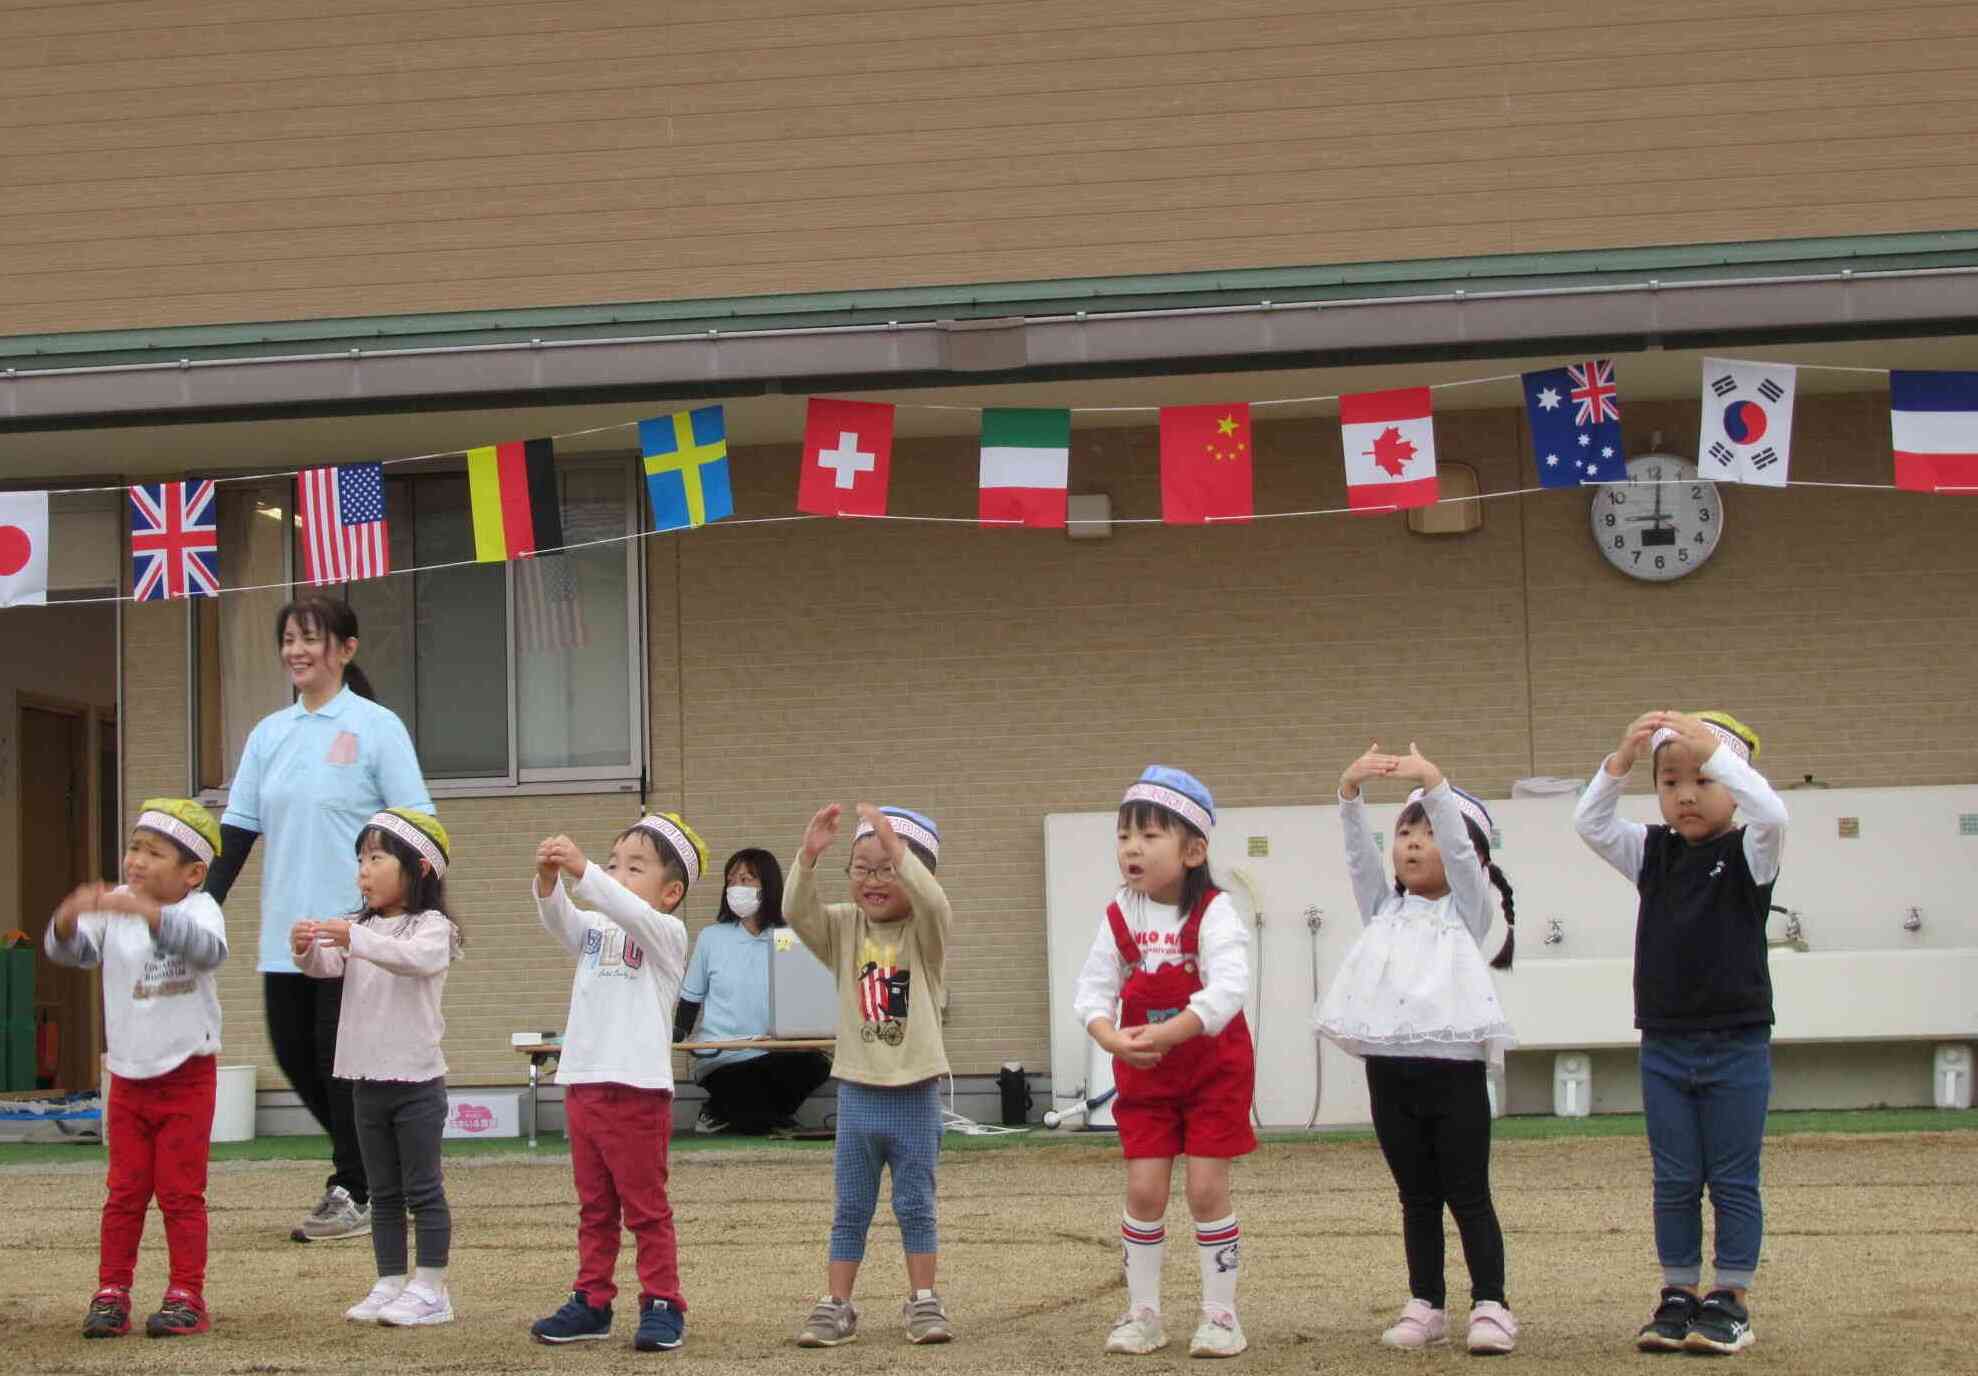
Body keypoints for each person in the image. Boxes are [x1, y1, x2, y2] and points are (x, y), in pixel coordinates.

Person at [203, 596, 434, 1243]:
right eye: (289, 640)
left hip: (352, 933)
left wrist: (402, 917)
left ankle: (354, 1189)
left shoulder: (376, 727)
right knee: (295, 1054)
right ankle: (384, 1170)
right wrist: (201, 903)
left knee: (340, 1064)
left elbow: (418, 827)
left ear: (346, 648)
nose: (297, 651)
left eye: (311, 639)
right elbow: (238, 831)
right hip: (288, 935)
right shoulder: (269, 734)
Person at [1575, 710, 1787, 1357]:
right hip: (1665, 1044)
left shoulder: (1751, 850)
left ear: (1735, 780)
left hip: (1737, 1043)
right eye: (1670, 782)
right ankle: (1677, 1294)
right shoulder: (1652, 851)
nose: (1685, 795)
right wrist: (1621, 760)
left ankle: (1731, 1299)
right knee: (1673, 1177)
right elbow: (1590, 823)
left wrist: (1711, 749)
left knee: (1731, 1176)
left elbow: (1774, 814)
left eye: (1703, 779)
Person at [1313, 743, 1519, 1356]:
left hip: (1453, 1071)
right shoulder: (1384, 909)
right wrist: (1349, 795)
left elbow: (1459, 848)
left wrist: (1435, 784)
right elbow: (1358, 860)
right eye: (1406, 831)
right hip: (1390, 1070)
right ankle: (1426, 1301)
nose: (1412, 843)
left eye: (1427, 832)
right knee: (1416, 1196)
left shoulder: (1467, 911)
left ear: (1467, 858)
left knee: (1468, 1192)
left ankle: (1491, 1303)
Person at [1073, 766, 1254, 1360]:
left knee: (1206, 1190)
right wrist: (1112, 1040)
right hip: (1145, 1077)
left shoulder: (1217, 912)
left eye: (1151, 836)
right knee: (1144, 1192)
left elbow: (1227, 991)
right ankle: (1143, 1313)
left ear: (1194, 849)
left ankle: (1221, 1316)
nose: (1132, 847)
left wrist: (1166, 1034)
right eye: (1125, 835)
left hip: (1214, 1074)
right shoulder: (1118, 915)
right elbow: (1092, 994)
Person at [43, 799, 229, 1340]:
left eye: (154, 853)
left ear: (192, 873)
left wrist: (147, 913)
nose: (137, 862)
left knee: (180, 1193)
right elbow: (73, 954)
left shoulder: (201, 909)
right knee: (123, 1192)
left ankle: (185, 1295)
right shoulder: (115, 906)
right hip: (125, 1075)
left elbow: (208, 952)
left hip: (187, 1075)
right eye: (133, 849)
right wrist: (67, 919)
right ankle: (111, 1291)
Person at [529, 813, 705, 1354]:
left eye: (636, 867)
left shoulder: (667, 934)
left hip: (637, 1090)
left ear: (671, 892)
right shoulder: (598, 929)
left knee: (645, 1207)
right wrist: (548, 879)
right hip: (583, 1080)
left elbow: (623, 905)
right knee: (595, 1207)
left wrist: (585, 872)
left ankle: (661, 1301)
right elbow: (560, 920)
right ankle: (592, 1300)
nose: (617, 876)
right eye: (613, 865)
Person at [785, 804, 955, 1348]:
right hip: (859, 1092)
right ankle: (836, 1304)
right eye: (862, 867)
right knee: (851, 1204)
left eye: (888, 869)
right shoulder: (841, 927)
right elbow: (794, 911)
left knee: (915, 1204)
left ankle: (924, 1300)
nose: (874, 881)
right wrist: (809, 857)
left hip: (915, 1091)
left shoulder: (926, 935)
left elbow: (934, 901)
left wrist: (896, 849)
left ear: (913, 873)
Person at [295, 809, 462, 1328]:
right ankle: (390, 1281)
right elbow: (328, 967)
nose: (363, 871)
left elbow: (413, 959)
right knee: (383, 1191)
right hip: (366, 1080)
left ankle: (432, 1287)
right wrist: (304, 950)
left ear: (421, 869)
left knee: (423, 1188)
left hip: (416, 1082)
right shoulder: (363, 929)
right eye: (360, 860)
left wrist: (352, 937)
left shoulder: (435, 928)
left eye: (376, 858)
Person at [673, 848, 832, 1136]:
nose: (736, 887)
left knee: (815, 1065)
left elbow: (809, 999)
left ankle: (728, 1113)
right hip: (722, 1056)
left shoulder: (791, 939)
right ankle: (770, 1116)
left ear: (768, 886)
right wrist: (675, 1035)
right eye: (731, 880)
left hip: (776, 1050)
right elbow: (689, 1000)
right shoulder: (712, 937)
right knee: (745, 1084)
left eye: (746, 879)